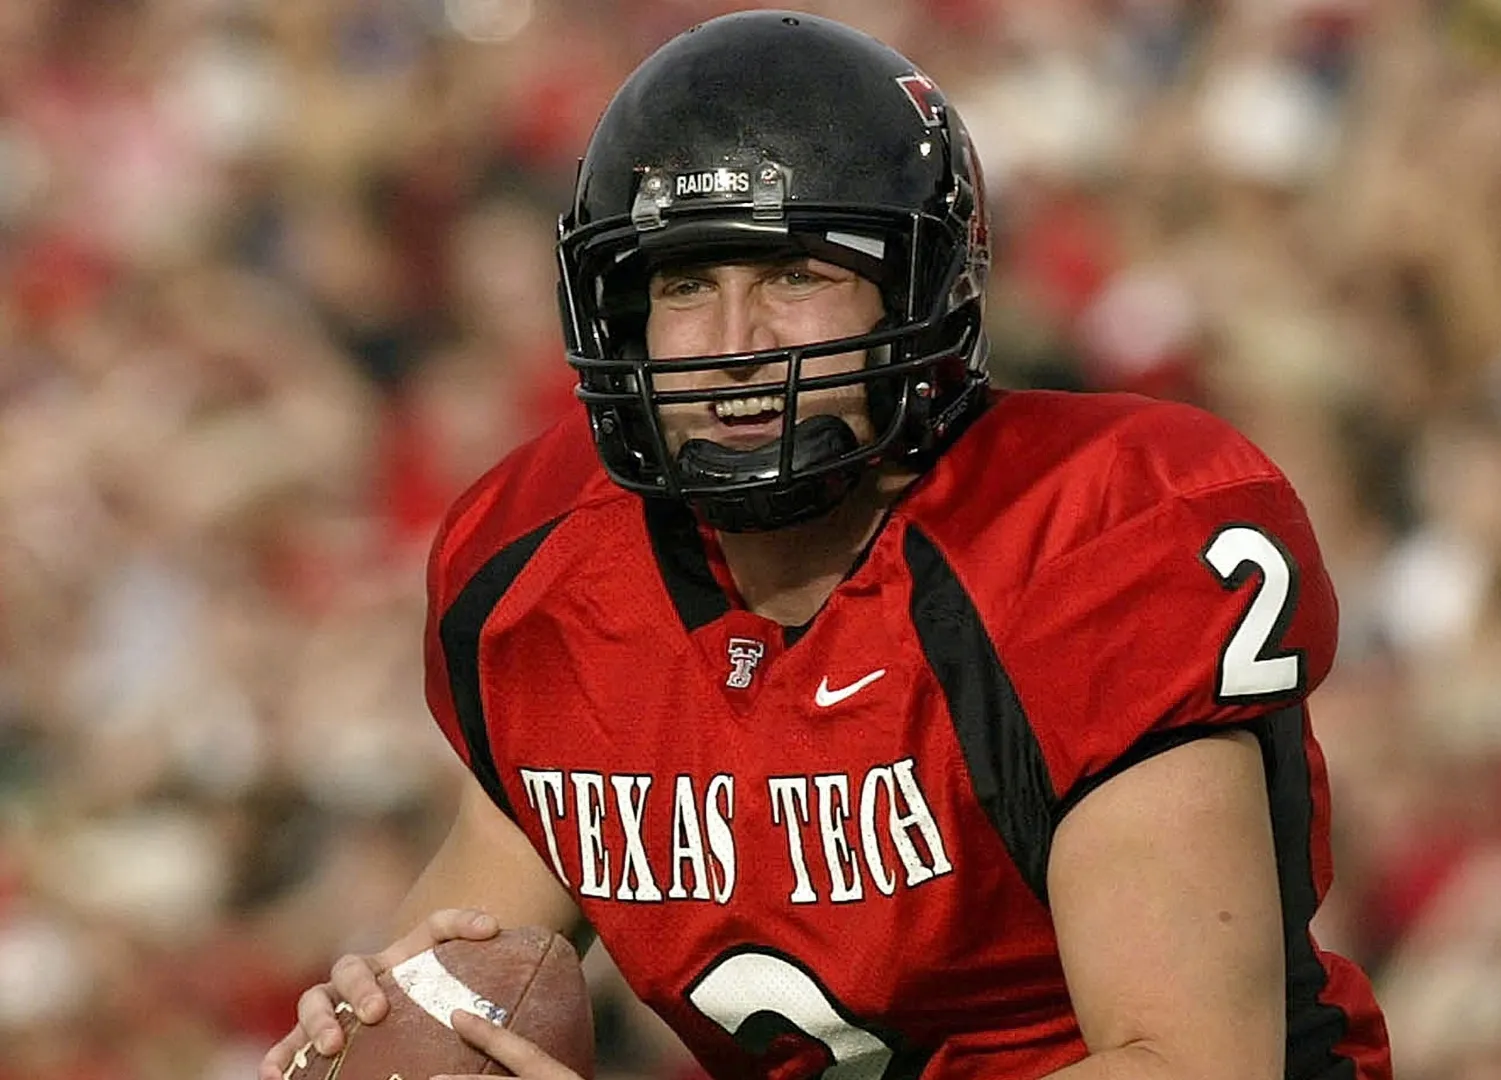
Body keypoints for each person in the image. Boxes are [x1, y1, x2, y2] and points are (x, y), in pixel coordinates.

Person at [259, 10, 1392, 1080]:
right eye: (687, 283)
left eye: (796, 273)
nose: (738, 343)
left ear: (922, 288)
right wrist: (386, 1028)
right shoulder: (548, 575)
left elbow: (1187, 1063)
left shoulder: (1082, 542)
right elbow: (464, 981)